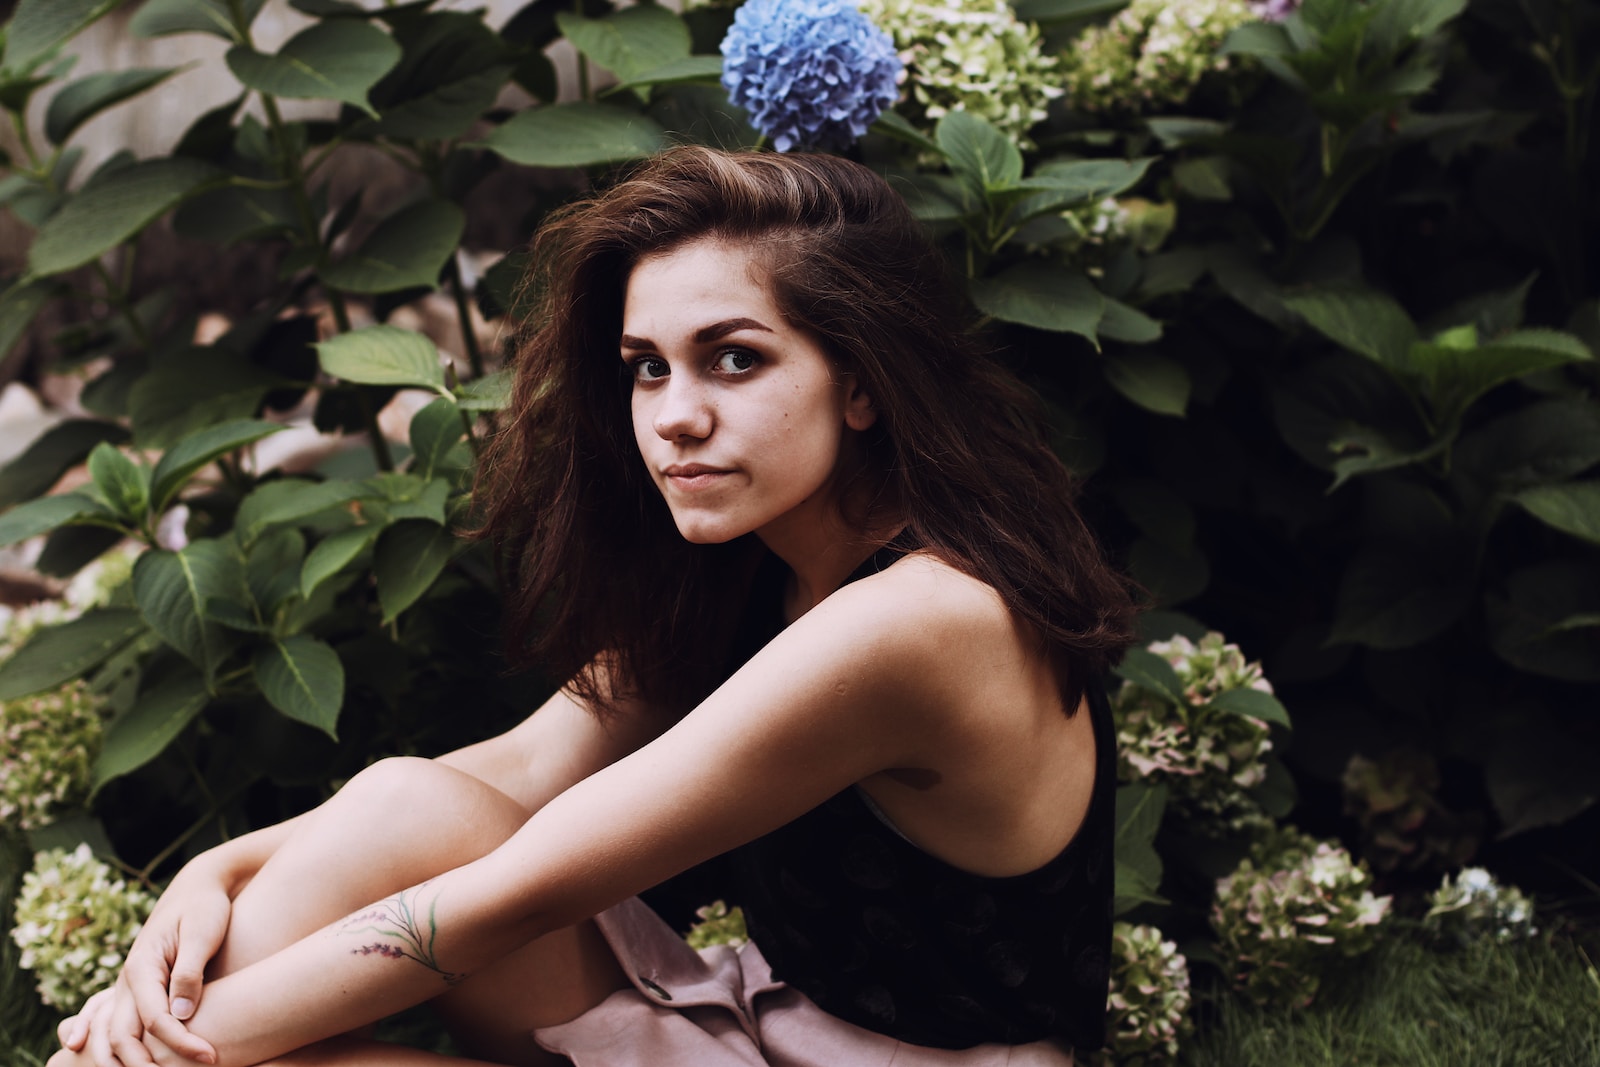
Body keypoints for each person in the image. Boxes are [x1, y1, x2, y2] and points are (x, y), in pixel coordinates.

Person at [52, 146, 1138, 1067]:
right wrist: (215, 868)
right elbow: (507, 775)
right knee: (400, 801)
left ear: (861, 381)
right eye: (646, 368)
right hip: (765, 1032)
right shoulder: (760, 560)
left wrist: (150, 1047)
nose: (674, 416)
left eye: (734, 360)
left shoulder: (918, 621)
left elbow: (509, 898)